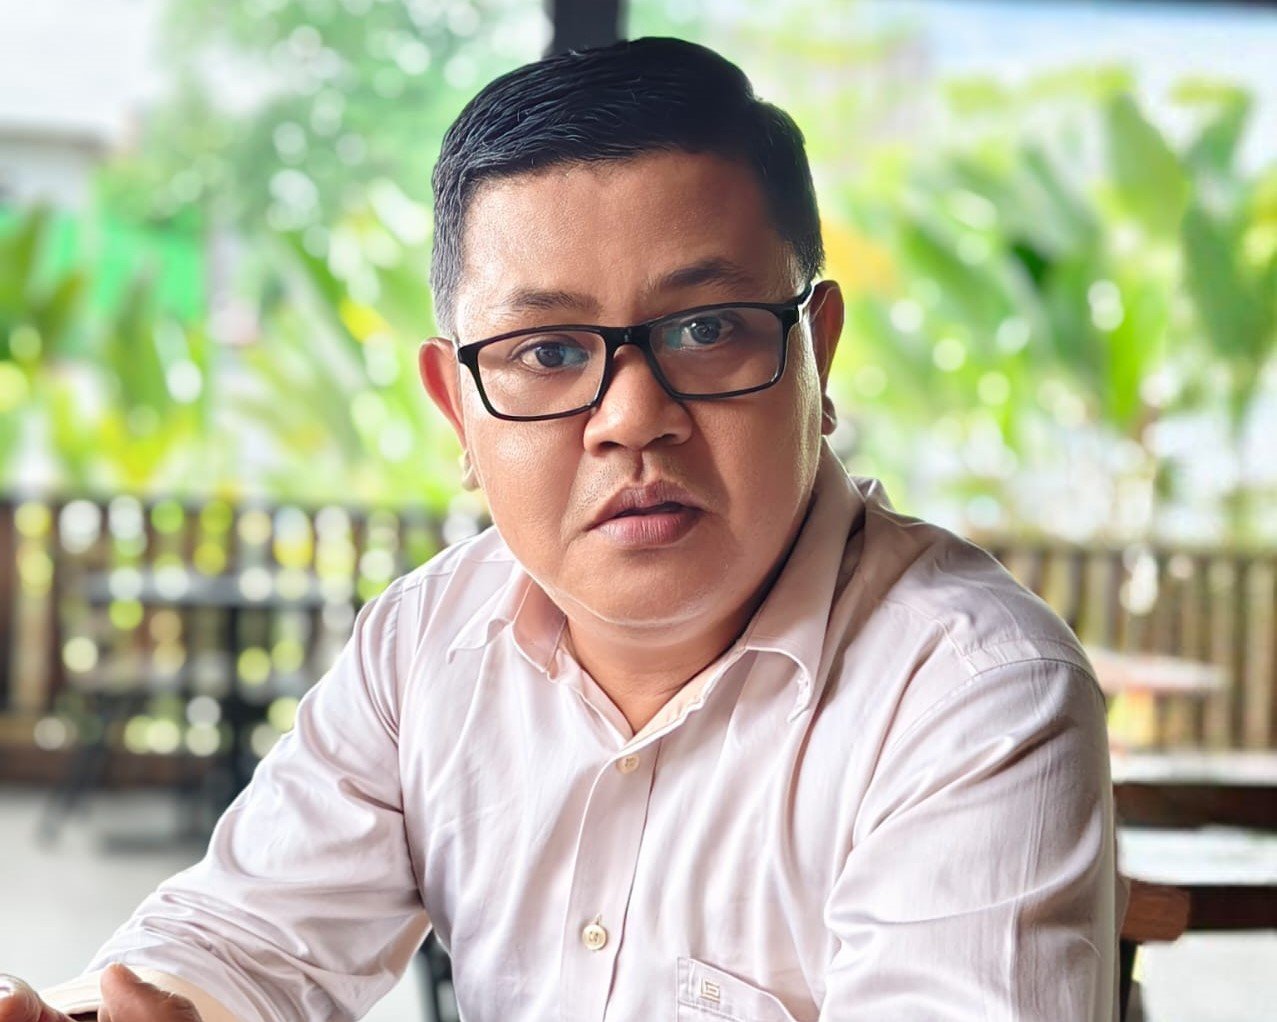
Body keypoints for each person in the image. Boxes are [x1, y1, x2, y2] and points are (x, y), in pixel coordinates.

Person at [1, 37, 1125, 1022]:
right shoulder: (424, 644)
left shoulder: (974, 692)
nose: (631, 416)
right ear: (458, 411)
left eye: (705, 328)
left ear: (815, 353)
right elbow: (244, 938)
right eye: (545, 352)